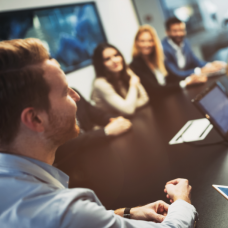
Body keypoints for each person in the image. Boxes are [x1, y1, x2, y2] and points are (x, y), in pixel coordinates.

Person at [0, 38, 197, 227]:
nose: (76, 96)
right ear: (35, 119)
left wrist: (126, 213)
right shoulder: (62, 210)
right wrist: (181, 200)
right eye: (64, 92)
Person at [54, 89, 132, 165]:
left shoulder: (72, 94)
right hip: (72, 164)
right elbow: (63, 147)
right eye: (64, 87)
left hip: (92, 153)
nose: (76, 96)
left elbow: (97, 114)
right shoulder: (49, 113)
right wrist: (106, 131)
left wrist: (116, 120)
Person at [129, 25, 207, 99]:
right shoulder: (135, 65)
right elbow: (155, 90)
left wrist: (191, 78)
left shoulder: (157, 59)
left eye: (150, 40)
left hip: (170, 98)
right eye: (142, 41)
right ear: (137, 43)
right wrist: (185, 83)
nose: (147, 44)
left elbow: (172, 77)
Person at [91, 43, 149, 116]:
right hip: (112, 124)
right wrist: (133, 85)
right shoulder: (100, 83)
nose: (114, 60)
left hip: (129, 119)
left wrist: (127, 107)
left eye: (116, 55)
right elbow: (129, 110)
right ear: (101, 64)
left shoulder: (126, 71)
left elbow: (145, 98)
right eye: (107, 59)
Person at [162, 17, 226, 78]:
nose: (179, 34)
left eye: (181, 30)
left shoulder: (185, 42)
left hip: (190, 79)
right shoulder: (164, 49)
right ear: (167, 32)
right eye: (175, 31)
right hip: (176, 84)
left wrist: (210, 65)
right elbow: (176, 73)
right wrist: (199, 71)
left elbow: (195, 61)